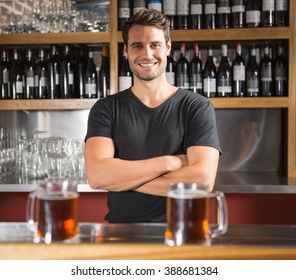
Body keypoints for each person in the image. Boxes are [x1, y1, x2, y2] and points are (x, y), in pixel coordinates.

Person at [84, 9, 221, 223]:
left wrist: (123, 179)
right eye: (137, 45)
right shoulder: (106, 108)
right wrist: (171, 162)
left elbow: (202, 181)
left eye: (154, 45)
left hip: (183, 234)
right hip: (121, 235)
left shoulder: (196, 107)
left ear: (167, 48)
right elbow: (97, 176)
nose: (147, 55)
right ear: (126, 51)